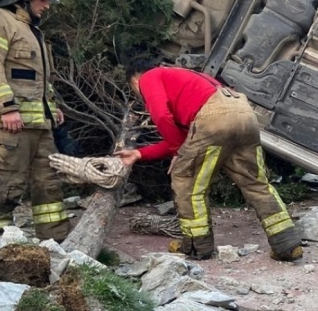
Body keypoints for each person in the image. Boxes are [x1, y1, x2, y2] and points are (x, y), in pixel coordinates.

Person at [116, 60, 303, 261]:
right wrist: (139, 154)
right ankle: (287, 244)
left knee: (187, 180)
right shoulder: (186, 81)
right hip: (243, 113)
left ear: (134, 81)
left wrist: (178, 152)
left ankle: (198, 246)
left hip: (213, 118)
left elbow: (162, 116)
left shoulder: (149, 77)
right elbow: (187, 140)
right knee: (256, 183)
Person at [0, 0, 70, 241]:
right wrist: (8, 108)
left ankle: (57, 243)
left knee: (48, 186)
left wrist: (52, 106)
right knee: (7, 185)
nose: (47, 6)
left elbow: (35, 78)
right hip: (11, 124)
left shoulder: (30, 30)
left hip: (39, 124)